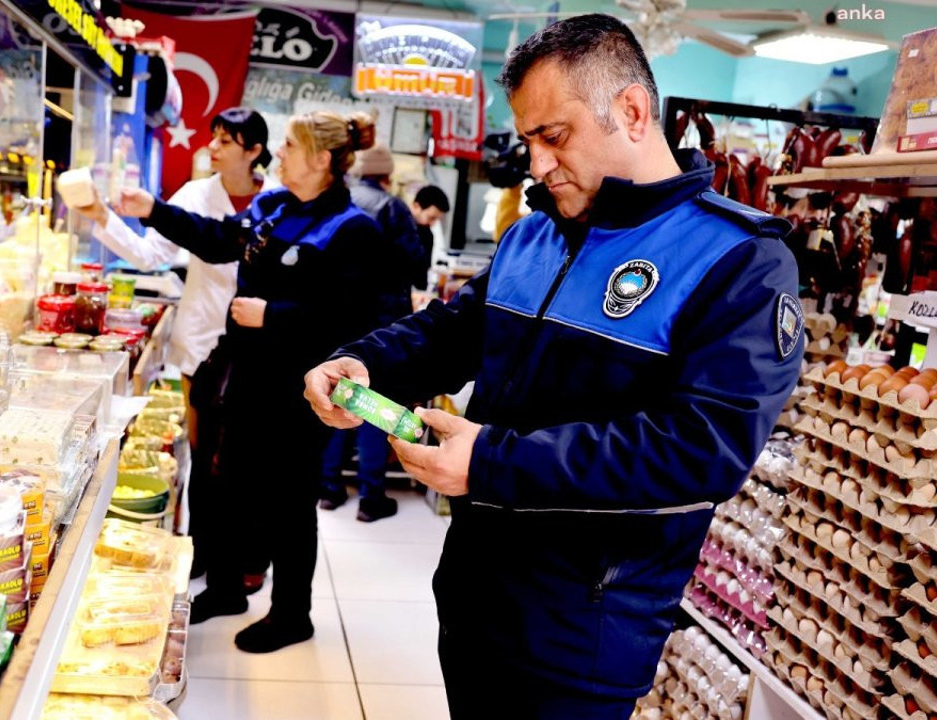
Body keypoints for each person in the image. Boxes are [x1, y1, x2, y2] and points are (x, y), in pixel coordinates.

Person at [303, 14, 802, 717]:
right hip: (476, 594)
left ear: (631, 111)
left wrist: (490, 462)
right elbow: (454, 329)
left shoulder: (739, 261)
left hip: (584, 629)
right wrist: (364, 362)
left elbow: (702, 449)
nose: (536, 165)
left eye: (554, 136)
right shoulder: (534, 235)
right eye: (528, 140)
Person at [113, 110, 387, 654]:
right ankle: (225, 588)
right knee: (224, 486)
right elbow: (218, 241)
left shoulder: (353, 229)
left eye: (288, 145)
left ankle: (292, 614)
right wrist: (154, 212)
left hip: (299, 390)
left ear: (322, 159)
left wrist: (275, 315)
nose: (277, 154)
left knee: (288, 502)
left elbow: (352, 320)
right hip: (241, 375)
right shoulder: (272, 206)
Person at [80, 108, 275, 593]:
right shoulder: (196, 194)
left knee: (251, 458)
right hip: (204, 341)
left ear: (253, 151)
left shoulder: (276, 200)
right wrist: (103, 219)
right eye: (213, 136)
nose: (214, 146)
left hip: (261, 347)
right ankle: (200, 552)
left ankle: (251, 555)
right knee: (206, 454)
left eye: (227, 140)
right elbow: (151, 254)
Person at [317, 144, 418, 521]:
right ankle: (371, 498)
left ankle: (328, 489)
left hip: (341, 321)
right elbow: (414, 263)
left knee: (340, 399)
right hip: (384, 322)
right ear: (387, 174)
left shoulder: (340, 201)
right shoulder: (392, 207)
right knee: (375, 407)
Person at [409, 185, 450, 289]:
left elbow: (424, 269)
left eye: (437, 219)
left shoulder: (427, 234)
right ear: (416, 207)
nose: (433, 223)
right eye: (431, 218)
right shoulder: (397, 229)